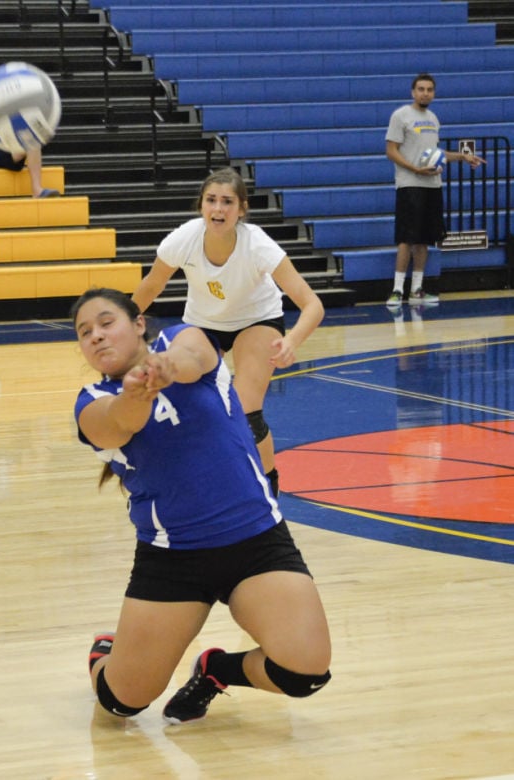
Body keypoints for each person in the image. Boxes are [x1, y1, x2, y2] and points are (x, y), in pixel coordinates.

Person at [72, 287, 332, 724]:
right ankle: (106, 652)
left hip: (256, 542)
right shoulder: (91, 400)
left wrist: (164, 368)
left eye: (106, 322)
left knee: (304, 673)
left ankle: (216, 670)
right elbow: (119, 423)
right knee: (122, 703)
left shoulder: (182, 337)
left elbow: (192, 360)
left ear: (138, 324)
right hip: (172, 559)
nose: (96, 335)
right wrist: (137, 392)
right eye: (84, 332)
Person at [131, 167, 323, 498]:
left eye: (227, 202)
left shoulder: (258, 245)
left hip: (257, 320)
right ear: (201, 205)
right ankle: (198, 481)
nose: (218, 209)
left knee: (246, 409)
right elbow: (152, 285)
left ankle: (267, 486)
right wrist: (126, 328)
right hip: (203, 324)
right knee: (186, 402)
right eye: (211, 200)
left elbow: (312, 304)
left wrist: (292, 340)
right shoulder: (184, 238)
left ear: (241, 209)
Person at [385, 72, 486, 307]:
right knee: (406, 238)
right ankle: (397, 290)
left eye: (429, 89)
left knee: (425, 239)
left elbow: (436, 154)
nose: (425, 93)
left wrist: (462, 156)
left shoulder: (433, 118)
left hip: (433, 185)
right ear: (413, 92)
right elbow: (391, 150)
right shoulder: (401, 116)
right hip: (410, 184)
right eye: (421, 89)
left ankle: (417, 289)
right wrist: (415, 169)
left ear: (434, 93)